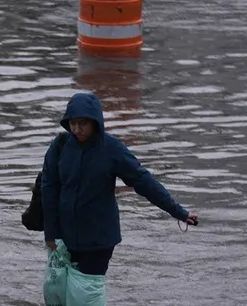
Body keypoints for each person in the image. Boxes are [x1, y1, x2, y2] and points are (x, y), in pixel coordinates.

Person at [41, 91, 198, 276]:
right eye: (72, 123)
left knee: (87, 296)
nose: (76, 129)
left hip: (98, 240)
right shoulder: (60, 146)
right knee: (60, 297)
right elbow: (48, 189)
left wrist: (178, 212)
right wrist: (51, 235)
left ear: (95, 122)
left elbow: (143, 181)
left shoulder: (112, 149)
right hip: (64, 237)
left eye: (82, 123)